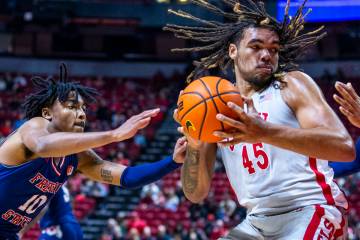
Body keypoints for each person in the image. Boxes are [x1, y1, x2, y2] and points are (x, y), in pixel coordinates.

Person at [166, 0, 355, 239]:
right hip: (256, 222)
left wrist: (264, 132)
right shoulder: (216, 107)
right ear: (233, 51)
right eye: (256, 47)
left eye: (274, 49)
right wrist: (194, 146)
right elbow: (195, 193)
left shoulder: (292, 84)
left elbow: (344, 148)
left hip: (312, 207)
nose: (266, 55)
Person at [0, 63, 187, 240]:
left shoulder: (75, 156)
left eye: (83, 108)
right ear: (48, 113)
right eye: (71, 106)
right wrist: (114, 134)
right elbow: (43, 146)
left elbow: (128, 177)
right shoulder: (34, 126)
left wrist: (172, 161)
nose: (81, 113)